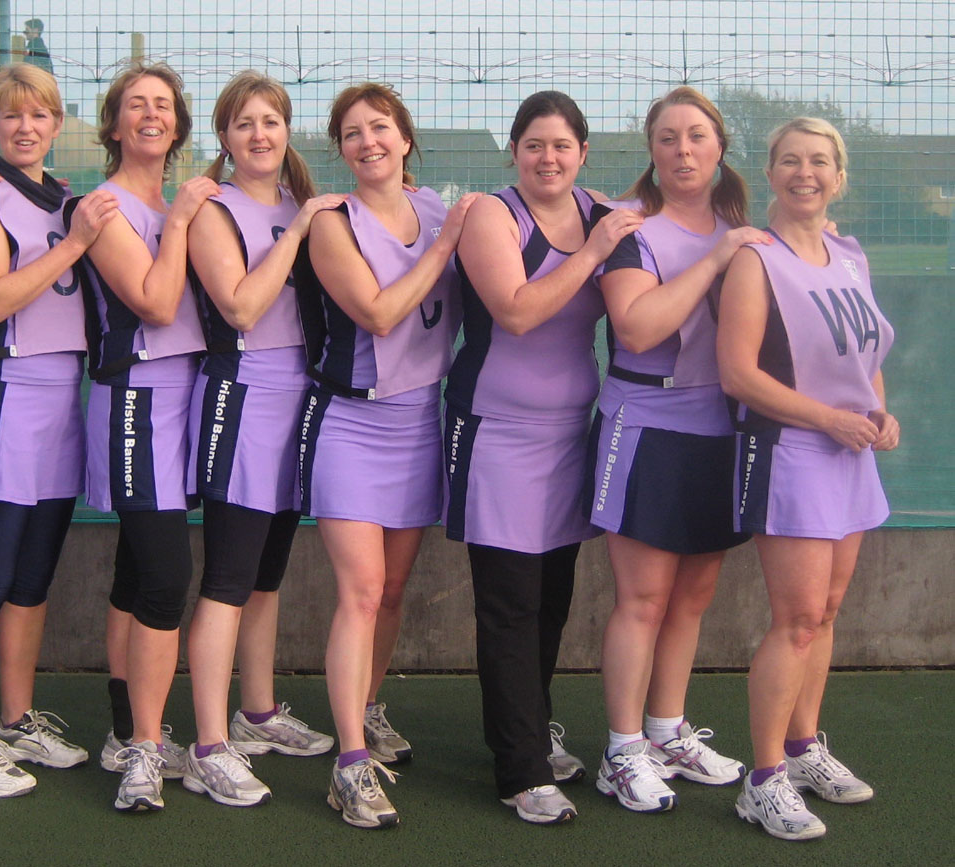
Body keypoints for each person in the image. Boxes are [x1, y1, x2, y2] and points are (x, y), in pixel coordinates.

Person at [445, 91, 642, 824]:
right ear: (514, 153)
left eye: (560, 145)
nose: (547, 158)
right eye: (532, 145)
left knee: (551, 599)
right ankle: (519, 769)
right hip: (495, 429)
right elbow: (519, 311)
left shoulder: (600, 208)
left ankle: (531, 730)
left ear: (582, 152)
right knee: (509, 602)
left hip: (569, 433)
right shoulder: (493, 216)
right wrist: (592, 251)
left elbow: (673, 224)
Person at [589, 86, 771, 812]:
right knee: (642, 597)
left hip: (718, 429)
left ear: (719, 146)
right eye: (667, 138)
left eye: (695, 136)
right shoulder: (632, 231)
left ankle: (665, 732)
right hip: (645, 426)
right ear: (651, 151)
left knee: (692, 597)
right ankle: (620, 748)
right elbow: (635, 328)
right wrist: (716, 255)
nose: (683, 150)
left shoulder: (741, 226)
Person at [301, 81, 478, 828]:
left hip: (421, 422)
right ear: (340, 150)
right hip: (351, 420)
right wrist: (445, 244)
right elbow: (375, 312)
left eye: (380, 127)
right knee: (362, 590)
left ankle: (368, 709)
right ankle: (347, 764)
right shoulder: (330, 222)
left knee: (395, 589)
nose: (367, 141)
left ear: (405, 138)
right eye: (351, 133)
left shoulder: (441, 207)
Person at [0, 63, 118, 798]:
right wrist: (74, 244)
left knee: (33, 575)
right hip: (1, 392)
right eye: (11, 116)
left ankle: (14, 719)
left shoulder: (69, 199)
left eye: (39, 115)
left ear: (55, 123)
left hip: (59, 401)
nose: (25, 127)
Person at [719, 117, 897, 841]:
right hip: (792, 452)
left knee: (824, 612)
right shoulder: (754, 260)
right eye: (790, 160)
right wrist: (827, 418)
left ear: (839, 175)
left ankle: (801, 748)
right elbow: (738, 373)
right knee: (793, 619)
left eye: (819, 161)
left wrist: (877, 414)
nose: (805, 172)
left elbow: (865, 358)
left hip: (848, 454)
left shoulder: (848, 254)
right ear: (769, 174)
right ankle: (760, 780)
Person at [181, 70, 344, 808]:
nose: (258, 134)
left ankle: (256, 712)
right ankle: (208, 743)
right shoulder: (215, 208)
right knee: (226, 577)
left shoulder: (296, 204)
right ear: (224, 137)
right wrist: (303, 229)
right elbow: (242, 306)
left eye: (270, 121)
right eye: (243, 123)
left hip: (299, 402)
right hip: (242, 397)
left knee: (267, 575)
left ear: (286, 130)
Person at [79, 62, 216, 812]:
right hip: (134, 396)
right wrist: (186, 219)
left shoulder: (171, 201)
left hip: (183, 398)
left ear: (179, 123)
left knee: (137, 572)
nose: (150, 114)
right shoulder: (102, 205)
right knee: (166, 575)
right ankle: (144, 745)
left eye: (163, 104)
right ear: (113, 124)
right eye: (136, 105)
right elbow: (159, 303)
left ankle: (120, 726)